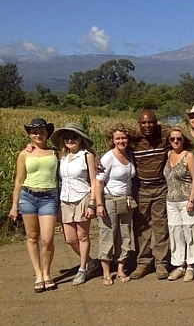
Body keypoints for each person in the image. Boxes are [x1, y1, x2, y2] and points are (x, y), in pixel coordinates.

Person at [10, 119, 59, 293]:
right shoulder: (24, 153)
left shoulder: (55, 153)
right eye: (34, 132)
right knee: (32, 237)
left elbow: (78, 151)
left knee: (47, 239)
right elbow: (19, 180)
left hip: (49, 197)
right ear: (29, 134)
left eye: (41, 132)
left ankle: (47, 272)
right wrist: (14, 205)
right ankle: (38, 274)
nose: (37, 135)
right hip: (28, 197)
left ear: (47, 134)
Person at [50, 123, 99, 286]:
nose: (70, 140)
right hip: (65, 199)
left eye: (74, 137)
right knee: (70, 239)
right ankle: (91, 262)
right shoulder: (60, 156)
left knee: (82, 236)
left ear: (81, 139)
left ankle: (82, 269)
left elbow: (93, 181)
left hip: (82, 198)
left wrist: (92, 203)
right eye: (67, 137)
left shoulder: (87, 156)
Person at [130, 109, 171, 280]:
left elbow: (183, 140)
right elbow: (116, 150)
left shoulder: (165, 136)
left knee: (161, 225)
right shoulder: (133, 140)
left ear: (156, 122)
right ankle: (143, 263)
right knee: (142, 227)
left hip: (161, 187)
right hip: (141, 189)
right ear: (139, 124)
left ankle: (161, 263)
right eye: (144, 123)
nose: (147, 126)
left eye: (151, 122)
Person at [95, 124, 137, 285]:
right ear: (112, 140)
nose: (121, 141)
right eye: (118, 138)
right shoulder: (108, 157)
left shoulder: (130, 155)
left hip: (126, 200)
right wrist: (99, 204)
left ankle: (121, 269)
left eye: (124, 138)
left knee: (125, 235)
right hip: (109, 200)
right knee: (108, 235)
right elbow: (98, 181)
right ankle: (106, 272)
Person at [164, 127, 194, 282]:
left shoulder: (189, 156)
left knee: (190, 231)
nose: (175, 141)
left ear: (183, 140)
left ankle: (191, 265)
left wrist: (192, 199)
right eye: (172, 139)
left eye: (178, 139)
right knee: (175, 232)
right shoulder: (168, 154)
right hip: (171, 201)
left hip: (186, 200)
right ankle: (179, 264)